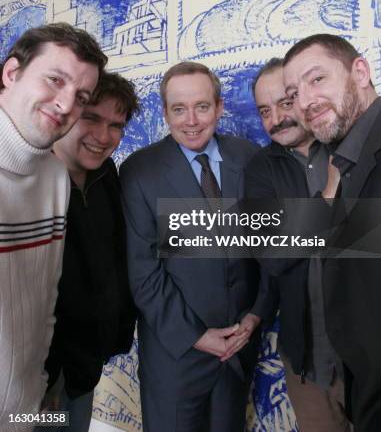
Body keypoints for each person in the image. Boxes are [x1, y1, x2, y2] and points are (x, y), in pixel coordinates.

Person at [120, 61, 272, 432]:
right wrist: (197, 336)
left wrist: (256, 314)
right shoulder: (139, 171)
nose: (191, 120)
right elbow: (144, 272)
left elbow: (270, 248)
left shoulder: (251, 158)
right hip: (176, 355)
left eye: (202, 106)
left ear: (219, 107)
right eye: (178, 109)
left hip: (239, 348)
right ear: (165, 112)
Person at [283, 33, 381, 432]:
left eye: (316, 79)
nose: (304, 101)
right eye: (294, 93)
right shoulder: (348, 165)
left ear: (361, 72)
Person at [0, 23, 107, 432]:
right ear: (11, 73)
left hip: (24, 409)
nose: (66, 105)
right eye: (54, 80)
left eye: (80, 96)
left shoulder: (54, 175)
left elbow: (45, 297)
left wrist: (38, 387)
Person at [245, 58, 351, 432]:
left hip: (372, 353)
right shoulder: (259, 169)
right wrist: (328, 196)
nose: (276, 119)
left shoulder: (352, 146)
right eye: (264, 111)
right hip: (307, 359)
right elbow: (271, 255)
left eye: (285, 103)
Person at [39, 72, 140, 432]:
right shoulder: (24, 180)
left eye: (116, 125)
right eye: (92, 118)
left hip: (83, 369)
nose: (103, 137)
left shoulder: (106, 174)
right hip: (36, 381)